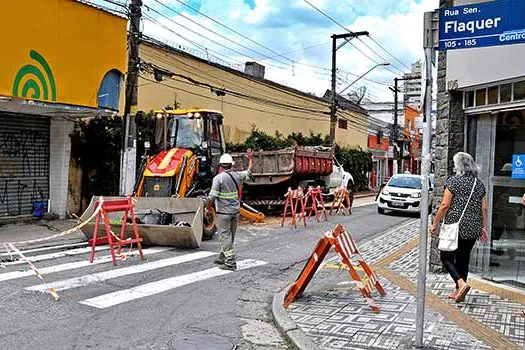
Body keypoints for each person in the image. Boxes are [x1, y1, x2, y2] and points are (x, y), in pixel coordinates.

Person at [430, 152, 488, 303]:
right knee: (463, 258)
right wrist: (483, 227)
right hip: (473, 227)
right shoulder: (479, 184)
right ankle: (459, 292)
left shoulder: (454, 181)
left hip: (456, 227)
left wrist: (435, 223)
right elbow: (484, 208)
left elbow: (444, 205)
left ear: (459, 166)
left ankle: (461, 284)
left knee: (446, 256)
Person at [207, 150, 253, 271]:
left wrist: (207, 208)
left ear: (221, 165)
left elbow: (212, 197)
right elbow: (249, 172)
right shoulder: (237, 175)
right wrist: (250, 159)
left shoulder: (218, 179)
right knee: (230, 236)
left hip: (223, 214)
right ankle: (222, 257)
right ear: (231, 164)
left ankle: (230, 262)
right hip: (235, 212)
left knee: (224, 237)